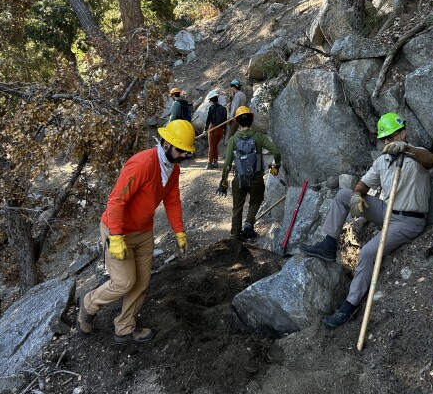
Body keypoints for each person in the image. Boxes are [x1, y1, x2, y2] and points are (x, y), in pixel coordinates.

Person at [299, 112, 433, 328]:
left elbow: (430, 160)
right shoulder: (382, 161)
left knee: (367, 252)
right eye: (385, 138)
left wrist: (406, 149)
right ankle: (328, 244)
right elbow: (363, 184)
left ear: (403, 133)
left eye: (392, 136)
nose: (389, 141)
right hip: (386, 211)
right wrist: (357, 195)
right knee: (343, 195)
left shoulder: (417, 158)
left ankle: (349, 306)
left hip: (409, 220)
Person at [77, 120, 195, 344]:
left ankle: (124, 327)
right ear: (167, 144)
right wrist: (117, 236)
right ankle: (88, 303)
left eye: (186, 153)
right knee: (123, 282)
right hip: (117, 230)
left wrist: (180, 232)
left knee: (141, 283)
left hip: (143, 232)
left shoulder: (173, 171)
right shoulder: (142, 163)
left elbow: (173, 203)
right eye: (181, 151)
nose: (183, 157)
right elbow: (117, 201)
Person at [216, 106, 281, 241]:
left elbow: (227, 163)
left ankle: (235, 235)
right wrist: (276, 166)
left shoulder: (233, 139)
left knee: (237, 207)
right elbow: (276, 152)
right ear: (251, 120)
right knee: (256, 201)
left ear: (237, 122)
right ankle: (249, 223)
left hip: (239, 180)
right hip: (256, 178)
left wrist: (223, 181)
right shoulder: (258, 137)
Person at [203, 90, 227, 169]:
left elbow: (208, 119)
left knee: (211, 146)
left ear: (210, 100)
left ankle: (209, 163)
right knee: (215, 145)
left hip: (213, 128)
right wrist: (224, 131)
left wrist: (205, 129)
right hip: (221, 129)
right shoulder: (223, 108)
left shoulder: (211, 108)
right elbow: (225, 121)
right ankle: (216, 162)